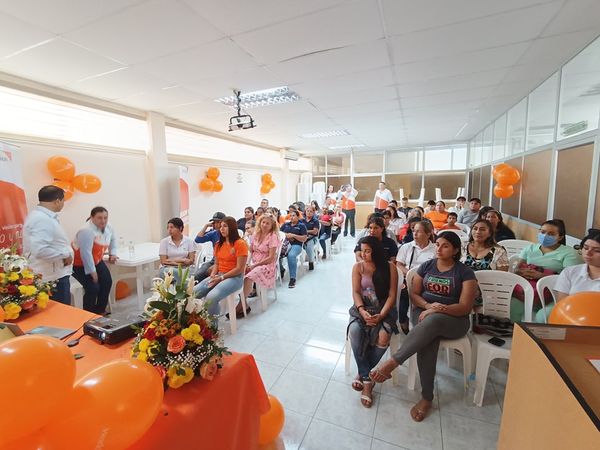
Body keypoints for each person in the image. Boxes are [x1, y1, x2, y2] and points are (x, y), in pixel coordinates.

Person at [370, 232, 477, 422]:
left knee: (433, 323)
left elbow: (465, 307)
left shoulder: (464, 272)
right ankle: (427, 397)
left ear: (455, 250)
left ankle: (392, 363)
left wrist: (439, 309)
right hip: (423, 313)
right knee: (428, 338)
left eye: (445, 246)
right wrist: (428, 306)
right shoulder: (427, 266)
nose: (439, 248)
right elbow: (414, 294)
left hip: (455, 319)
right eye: (438, 244)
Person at [348, 236, 398, 408]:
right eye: (362, 250)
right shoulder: (358, 267)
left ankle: (362, 373)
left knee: (383, 336)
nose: (363, 254)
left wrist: (382, 315)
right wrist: (362, 310)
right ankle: (368, 380)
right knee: (354, 331)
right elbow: (356, 292)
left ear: (376, 251)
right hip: (363, 307)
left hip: (384, 309)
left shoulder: (390, 267)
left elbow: (392, 295)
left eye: (367, 251)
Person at [512, 219, 582, 321]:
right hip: (528, 291)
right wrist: (522, 272)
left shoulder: (569, 253)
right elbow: (516, 269)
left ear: (560, 237)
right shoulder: (530, 248)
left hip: (554, 295)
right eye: (543, 232)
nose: (545, 236)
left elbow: (570, 280)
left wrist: (541, 276)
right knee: (512, 307)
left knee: (542, 316)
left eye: (551, 234)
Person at [22, 185, 73, 305]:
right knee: (60, 312)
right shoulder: (42, 219)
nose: (63, 204)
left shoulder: (43, 217)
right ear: (57, 201)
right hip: (51, 278)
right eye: (63, 200)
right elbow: (40, 250)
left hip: (54, 274)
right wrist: (65, 254)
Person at [535, 229, 600, 322]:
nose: (588, 253)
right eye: (585, 248)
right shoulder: (570, 272)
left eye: (597, 250)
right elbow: (563, 304)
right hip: (572, 317)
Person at [193, 216, 248, 320]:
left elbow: (239, 269)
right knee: (193, 293)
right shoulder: (218, 244)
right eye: (221, 226)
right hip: (219, 275)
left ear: (232, 228)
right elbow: (217, 264)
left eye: (225, 226)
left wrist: (221, 278)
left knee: (211, 297)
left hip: (235, 278)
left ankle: (212, 325)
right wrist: (213, 275)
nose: (221, 229)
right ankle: (195, 321)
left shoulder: (240, 244)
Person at [72, 206, 118, 314]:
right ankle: (88, 314)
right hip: (79, 264)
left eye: (105, 218)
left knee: (107, 281)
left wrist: (113, 253)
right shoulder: (86, 231)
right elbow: (86, 253)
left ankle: (100, 311)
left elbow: (113, 239)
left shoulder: (108, 227)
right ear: (92, 217)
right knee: (93, 288)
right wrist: (92, 272)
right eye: (99, 218)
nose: (103, 221)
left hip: (97, 260)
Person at [234, 214, 281, 318]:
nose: (264, 225)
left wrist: (254, 265)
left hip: (267, 265)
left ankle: (240, 305)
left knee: (248, 277)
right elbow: (251, 251)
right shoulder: (256, 234)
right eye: (263, 222)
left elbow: (271, 258)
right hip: (254, 262)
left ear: (272, 225)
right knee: (239, 272)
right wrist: (247, 263)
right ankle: (244, 305)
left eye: (267, 223)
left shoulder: (273, 236)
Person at [396, 220, 436, 334]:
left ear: (428, 234)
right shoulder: (407, 247)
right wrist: (409, 274)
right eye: (414, 231)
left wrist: (420, 278)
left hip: (427, 281)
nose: (415, 234)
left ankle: (422, 320)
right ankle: (403, 319)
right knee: (402, 292)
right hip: (408, 279)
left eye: (418, 231)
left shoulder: (435, 249)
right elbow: (399, 264)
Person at [194, 212, 226, 282]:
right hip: (214, 260)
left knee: (211, 272)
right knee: (198, 275)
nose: (215, 224)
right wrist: (205, 226)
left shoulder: (229, 234)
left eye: (217, 222)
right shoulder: (213, 233)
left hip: (226, 260)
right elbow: (198, 239)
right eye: (214, 222)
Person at [280, 210, 307, 288]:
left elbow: (304, 238)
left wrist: (294, 236)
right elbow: (279, 234)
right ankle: (281, 269)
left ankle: (292, 278)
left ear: (298, 217)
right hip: (285, 244)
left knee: (291, 255)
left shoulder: (301, 226)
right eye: (290, 216)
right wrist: (286, 235)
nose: (291, 217)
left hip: (296, 245)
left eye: (293, 215)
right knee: (276, 254)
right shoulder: (286, 225)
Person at [302, 206, 320, 271]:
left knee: (309, 245)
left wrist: (305, 231)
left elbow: (315, 232)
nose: (309, 212)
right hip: (303, 237)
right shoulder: (302, 220)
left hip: (313, 237)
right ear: (305, 212)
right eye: (308, 211)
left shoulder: (315, 221)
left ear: (313, 213)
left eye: (311, 211)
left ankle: (311, 261)